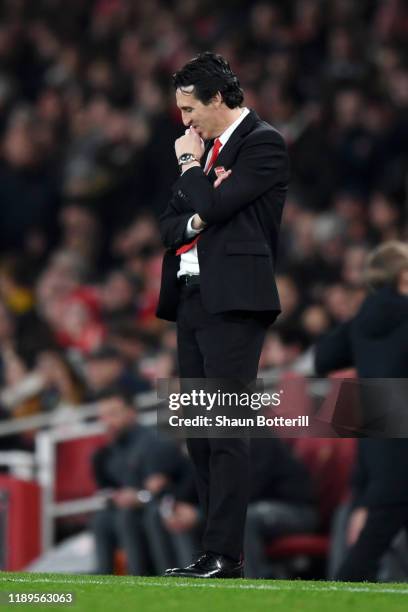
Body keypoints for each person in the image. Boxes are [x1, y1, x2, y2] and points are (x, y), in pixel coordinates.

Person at [156, 52, 289, 578]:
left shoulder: (263, 143)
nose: (184, 122)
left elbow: (211, 210)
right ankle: (212, 550)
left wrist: (192, 172)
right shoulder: (209, 152)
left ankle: (226, 554)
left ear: (217, 98)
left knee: (227, 428)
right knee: (200, 430)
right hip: (191, 298)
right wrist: (197, 206)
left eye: (190, 109)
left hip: (234, 301)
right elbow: (171, 225)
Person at [315, 241, 408, 582]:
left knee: (379, 530)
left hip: (372, 432)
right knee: (372, 544)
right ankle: (341, 594)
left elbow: (323, 357)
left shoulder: (363, 318)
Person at [90, 387, 198, 575]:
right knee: (101, 519)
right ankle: (103, 576)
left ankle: (144, 575)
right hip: (134, 508)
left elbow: (163, 487)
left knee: (136, 515)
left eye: (113, 414)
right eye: (103, 416)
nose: (108, 422)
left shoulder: (154, 443)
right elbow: (107, 488)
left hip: (164, 506)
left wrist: (139, 496)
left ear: (131, 412)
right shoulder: (106, 454)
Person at [244, 437, 317, 579]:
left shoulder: (261, 440)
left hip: (299, 510)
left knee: (245, 517)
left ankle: (254, 580)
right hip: (266, 509)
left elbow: (253, 487)